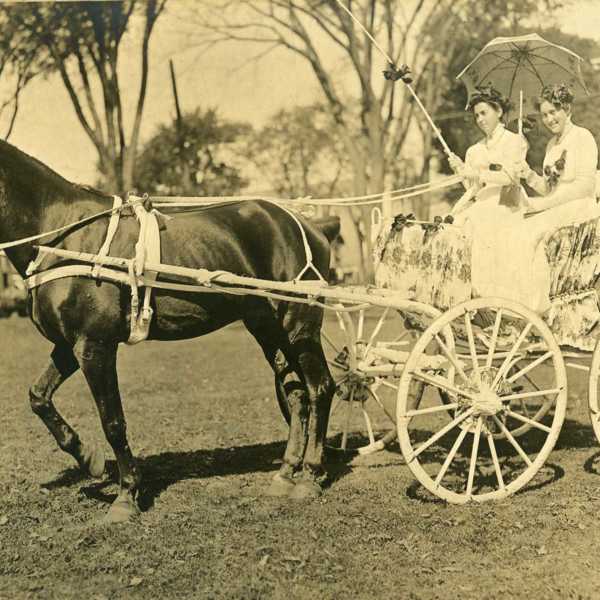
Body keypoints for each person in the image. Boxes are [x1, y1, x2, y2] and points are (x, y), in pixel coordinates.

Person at [447, 84, 530, 301]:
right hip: (483, 203)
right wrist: (460, 170)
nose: (480, 119)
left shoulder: (515, 141)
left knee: (483, 223)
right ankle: (469, 293)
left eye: (484, 113)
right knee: (457, 222)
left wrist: (475, 173)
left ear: (499, 112)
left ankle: (494, 296)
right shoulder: (474, 150)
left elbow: (510, 177)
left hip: (506, 203)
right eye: (476, 116)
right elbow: (473, 190)